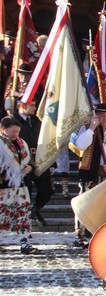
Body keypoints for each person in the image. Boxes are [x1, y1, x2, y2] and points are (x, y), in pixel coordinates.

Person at [71, 103, 106, 248]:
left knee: (105, 203)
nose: (105, 118)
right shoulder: (86, 129)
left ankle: (100, 231)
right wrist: (92, 128)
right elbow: (81, 145)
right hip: (90, 172)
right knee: (86, 201)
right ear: (96, 116)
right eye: (101, 116)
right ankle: (80, 232)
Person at [0, 116, 37, 253]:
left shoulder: (22, 143)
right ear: (3, 130)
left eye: (17, 132)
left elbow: (30, 160)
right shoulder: (1, 144)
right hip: (5, 185)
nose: (15, 135)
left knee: (23, 212)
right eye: (12, 132)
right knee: (3, 214)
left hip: (21, 185)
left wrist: (30, 168)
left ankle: (24, 242)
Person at [13, 99, 52, 227]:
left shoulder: (37, 120)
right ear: (22, 105)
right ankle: (26, 225)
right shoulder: (12, 120)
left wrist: (52, 162)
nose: (35, 108)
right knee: (26, 193)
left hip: (39, 159)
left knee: (46, 190)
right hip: (21, 162)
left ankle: (34, 209)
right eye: (32, 105)